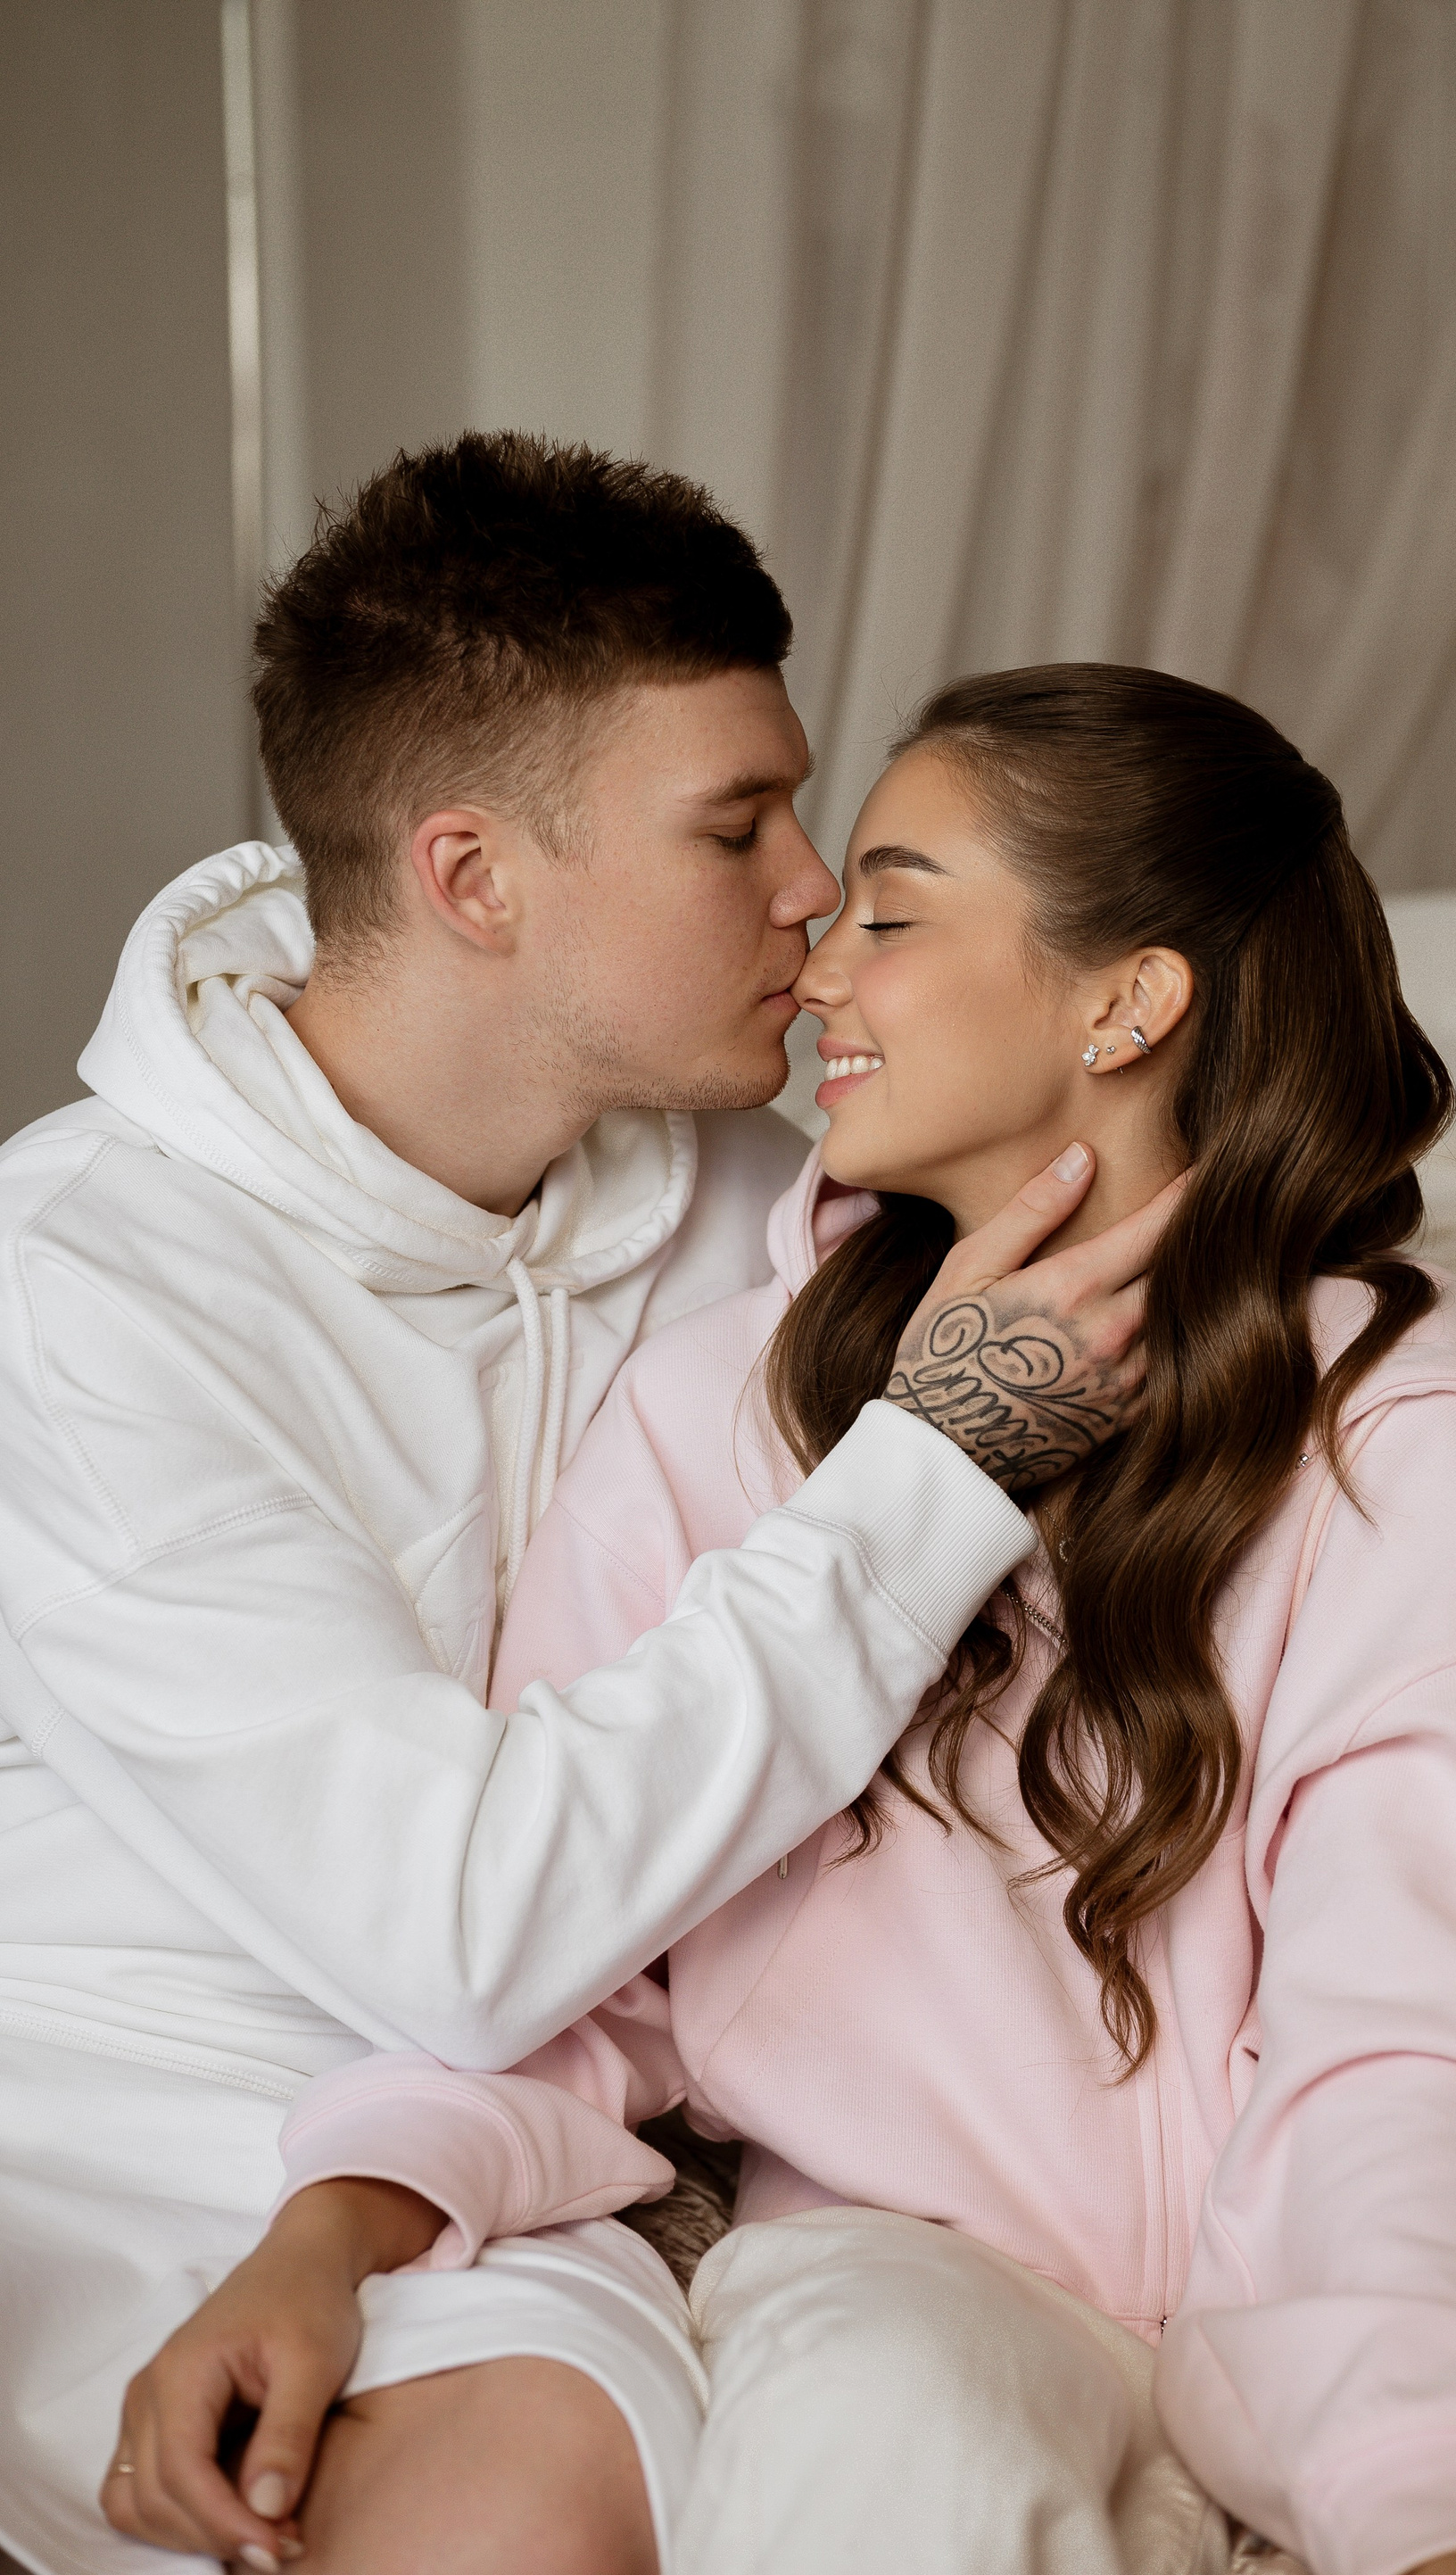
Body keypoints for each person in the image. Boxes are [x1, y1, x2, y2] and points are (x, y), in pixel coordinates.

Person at [120, 667, 1456, 2575]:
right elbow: (575, 1970)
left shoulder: (1386, 1409)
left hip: (1309, 2300)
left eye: (891, 919)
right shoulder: (711, 1411)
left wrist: (1441, 2472)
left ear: (1127, 1001)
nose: (817, 967)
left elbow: (1420, 2009)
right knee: (868, 2418)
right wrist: (331, 2233)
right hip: (898, 2277)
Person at [0, 449, 1160, 2575]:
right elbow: (457, 1931)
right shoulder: (83, 1293)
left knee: (548, 2492)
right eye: (737, 827)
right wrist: (930, 1471)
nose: (815, 889)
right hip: (97, 2108)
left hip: (505, 2133)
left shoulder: (748, 1185)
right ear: (471, 874)